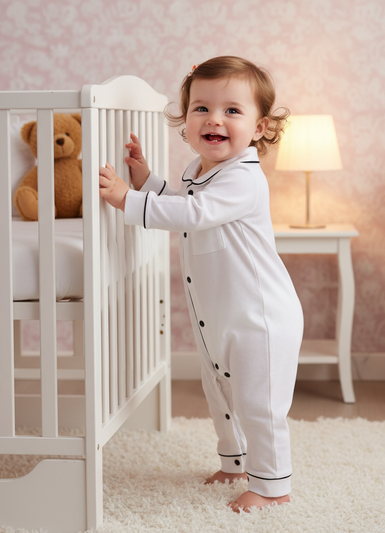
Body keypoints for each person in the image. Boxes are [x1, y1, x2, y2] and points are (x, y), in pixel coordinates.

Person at [99, 56, 303, 512]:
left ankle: (273, 486)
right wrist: (148, 181)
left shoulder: (244, 179)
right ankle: (234, 463)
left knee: (258, 404)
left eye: (233, 110)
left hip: (261, 318)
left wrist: (126, 200)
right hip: (221, 315)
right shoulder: (201, 170)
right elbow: (183, 199)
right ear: (186, 120)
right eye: (201, 108)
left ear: (260, 128)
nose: (214, 119)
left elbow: (194, 214)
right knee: (221, 393)